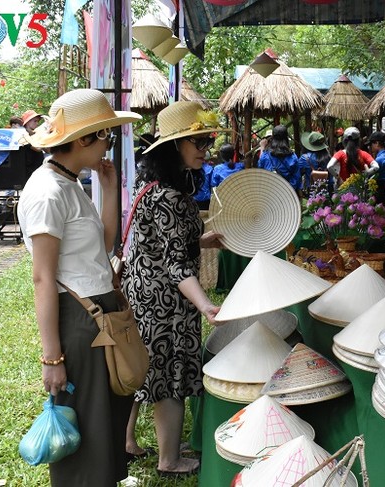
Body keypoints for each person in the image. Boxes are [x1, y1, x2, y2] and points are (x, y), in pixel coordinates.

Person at [16, 89, 141, 486]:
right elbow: (42, 277)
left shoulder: (70, 183)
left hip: (100, 314)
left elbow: (103, 246)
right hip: (80, 319)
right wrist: (52, 357)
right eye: (106, 135)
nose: (109, 144)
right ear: (84, 139)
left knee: (104, 423)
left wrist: (108, 185)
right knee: (87, 430)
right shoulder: (47, 191)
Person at [121, 101, 225, 478]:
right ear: (173, 146)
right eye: (195, 140)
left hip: (142, 293)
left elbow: (162, 244)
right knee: (170, 376)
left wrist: (204, 240)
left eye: (205, 139)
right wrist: (205, 305)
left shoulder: (149, 187)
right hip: (167, 302)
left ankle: (127, 441)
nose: (204, 148)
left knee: (139, 370)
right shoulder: (172, 197)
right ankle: (169, 459)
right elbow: (177, 265)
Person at [257, 124, 301, 192]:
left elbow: (260, 172)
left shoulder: (265, 155)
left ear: (273, 137)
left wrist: (262, 147)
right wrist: (287, 190)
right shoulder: (293, 156)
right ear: (286, 138)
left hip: (269, 193)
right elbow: (296, 178)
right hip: (287, 193)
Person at [368, 131, 385, 202]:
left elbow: (370, 174)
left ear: (377, 143)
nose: (370, 146)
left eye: (371, 144)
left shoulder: (380, 159)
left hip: (380, 190)